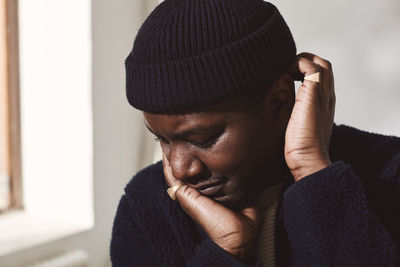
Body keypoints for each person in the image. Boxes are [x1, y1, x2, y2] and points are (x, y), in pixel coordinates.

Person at [110, 0, 400, 266]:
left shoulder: (388, 173)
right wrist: (226, 253)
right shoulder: (147, 206)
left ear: (280, 101)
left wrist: (312, 171)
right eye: (161, 139)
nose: (179, 168)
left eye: (202, 139)